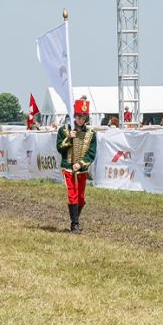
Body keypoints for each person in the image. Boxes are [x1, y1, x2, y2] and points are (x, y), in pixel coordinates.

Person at [56, 99, 97, 234]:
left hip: (82, 170)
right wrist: (69, 139)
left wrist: (80, 164)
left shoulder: (91, 133)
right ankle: (74, 224)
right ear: (74, 116)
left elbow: (91, 153)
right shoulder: (64, 130)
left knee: (81, 197)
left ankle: (75, 217)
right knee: (72, 194)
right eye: (79, 116)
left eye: (83, 117)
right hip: (68, 167)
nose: (81, 119)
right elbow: (59, 148)